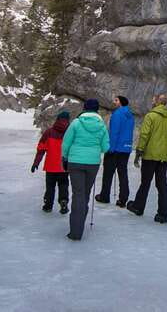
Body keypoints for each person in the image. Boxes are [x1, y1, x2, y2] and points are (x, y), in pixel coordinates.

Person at [61, 99, 109, 241]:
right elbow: (106, 147)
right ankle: (80, 224)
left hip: (75, 161)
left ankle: (75, 231)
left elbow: (66, 142)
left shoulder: (76, 123)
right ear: (97, 110)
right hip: (92, 163)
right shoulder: (102, 126)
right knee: (85, 194)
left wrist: (64, 158)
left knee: (78, 194)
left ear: (85, 108)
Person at [126, 94, 167, 224]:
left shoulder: (150, 116)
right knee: (162, 184)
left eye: (153, 100)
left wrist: (139, 151)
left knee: (145, 182)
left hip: (150, 155)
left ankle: (138, 207)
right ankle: (163, 214)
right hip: (164, 157)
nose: (151, 102)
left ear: (158, 102)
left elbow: (144, 134)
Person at [95, 95, 134, 207]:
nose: (114, 102)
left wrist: (110, 148)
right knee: (123, 173)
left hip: (115, 148)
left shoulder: (117, 114)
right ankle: (123, 199)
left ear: (121, 102)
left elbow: (114, 133)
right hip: (125, 148)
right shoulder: (130, 115)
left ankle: (104, 196)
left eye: (116, 100)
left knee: (108, 173)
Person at [31, 110, 70, 214]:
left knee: (50, 186)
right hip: (64, 166)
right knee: (63, 185)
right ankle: (64, 201)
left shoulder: (49, 132)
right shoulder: (70, 133)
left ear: (57, 119)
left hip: (51, 166)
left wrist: (36, 162)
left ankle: (48, 205)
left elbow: (41, 148)